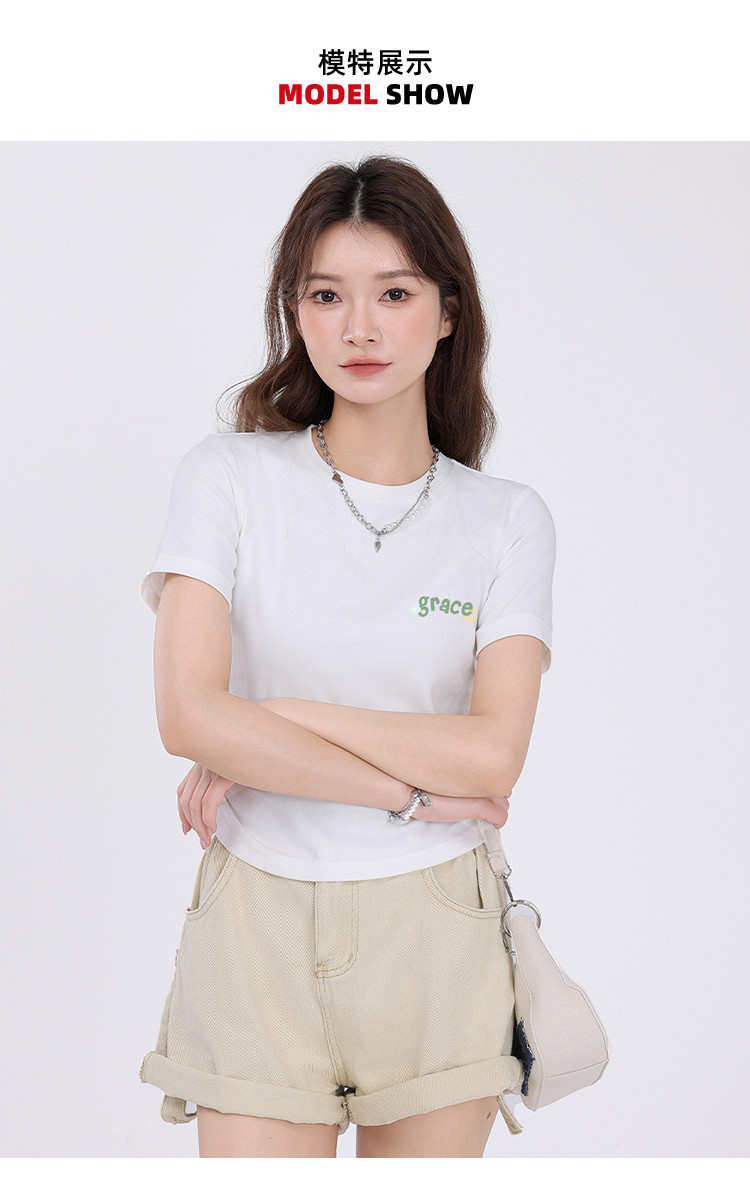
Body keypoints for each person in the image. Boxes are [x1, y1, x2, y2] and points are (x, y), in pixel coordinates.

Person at [138, 156, 556, 1158]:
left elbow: (493, 755)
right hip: (257, 918)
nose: (358, 328)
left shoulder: (506, 520)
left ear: (448, 312)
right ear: (295, 311)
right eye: (326, 295)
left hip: (439, 924)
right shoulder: (227, 477)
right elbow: (187, 716)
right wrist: (406, 792)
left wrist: (274, 720)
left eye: (394, 294)